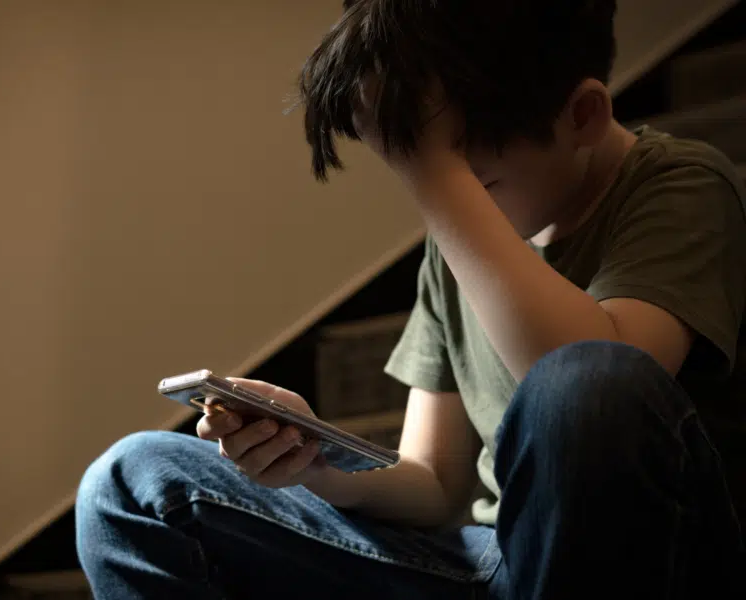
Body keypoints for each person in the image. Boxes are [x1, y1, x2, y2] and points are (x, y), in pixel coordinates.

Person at [75, 1, 746, 598]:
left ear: (582, 116)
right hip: (498, 560)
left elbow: (597, 381)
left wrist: (438, 178)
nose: (447, 211)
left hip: (661, 557)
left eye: (471, 184)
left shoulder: (682, 185)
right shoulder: (457, 246)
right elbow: (434, 485)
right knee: (133, 481)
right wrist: (316, 465)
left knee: (588, 382)